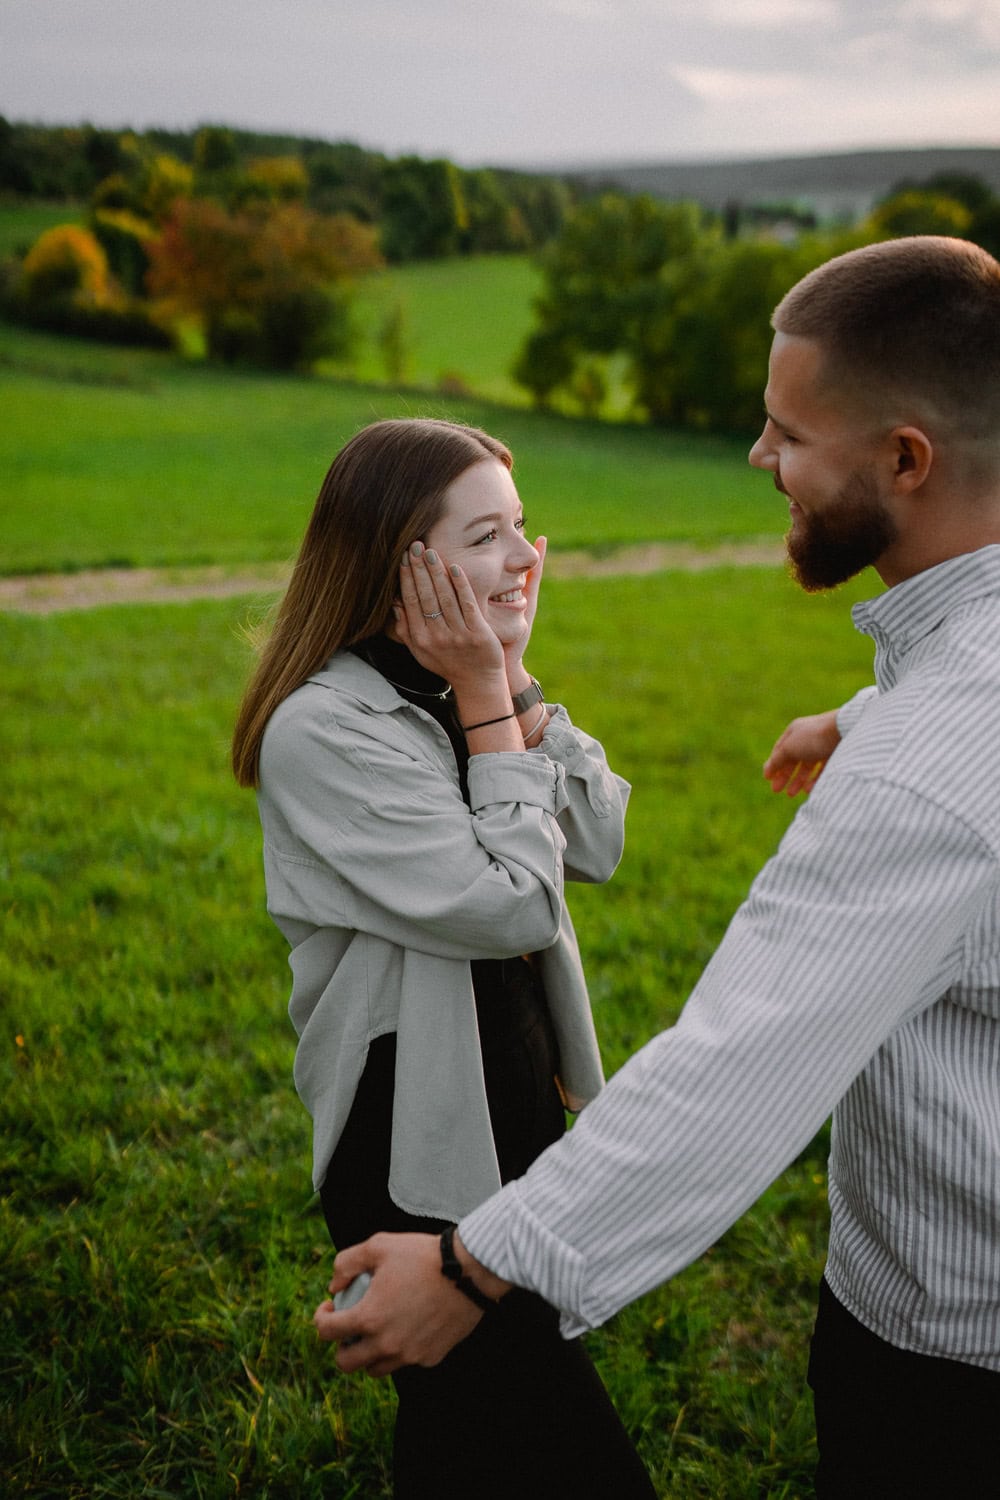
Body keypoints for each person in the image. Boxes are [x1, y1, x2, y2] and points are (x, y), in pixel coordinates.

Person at [316, 239, 1000, 1498]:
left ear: (906, 459)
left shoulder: (928, 775)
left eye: (786, 433)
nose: (757, 458)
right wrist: (862, 712)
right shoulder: (945, 701)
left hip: (958, 1358)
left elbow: (737, 1064)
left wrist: (475, 1267)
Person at [231, 418, 656, 1497]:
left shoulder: (451, 687)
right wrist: (484, 691)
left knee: (474, 1427)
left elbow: (596, 843)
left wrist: (505, 678)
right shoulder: (326, 731)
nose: (524, 560)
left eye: (521, 530)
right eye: (486, 538)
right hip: (411, 1133)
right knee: (527, 1420)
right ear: (397, 563)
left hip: (516, 1093)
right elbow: (516, 904)